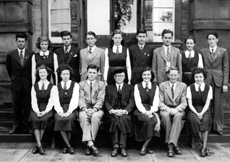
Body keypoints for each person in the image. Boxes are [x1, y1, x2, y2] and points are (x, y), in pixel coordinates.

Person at [200, 32, 229, 135]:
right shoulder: (203, 51)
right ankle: (207, 126)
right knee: (207, 104)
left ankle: (218, 127)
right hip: (207, 80)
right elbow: (201, 67)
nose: (211, 41)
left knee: (218, 105)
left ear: (217, 39)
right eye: (209, 39)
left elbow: (226, 68)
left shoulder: (223, 51)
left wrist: (225, 83)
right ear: (207, 41)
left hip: (219, 80)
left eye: (213, 39)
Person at [6, 32, 34, 134]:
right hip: (16, 83)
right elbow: (9, 68)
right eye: (19, 41)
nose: (21, 43)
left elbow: (32, 69)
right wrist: (13, 78)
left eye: (22, 41)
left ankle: (26, 125)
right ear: (16, 41)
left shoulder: (31, 54)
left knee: (27, 105)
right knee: (16, 105)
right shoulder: (11, 54)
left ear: (25, 42)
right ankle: (16, 125)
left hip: (27, 83)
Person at [104, 68, 135, 157]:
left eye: (121, 76)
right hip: (112, 112)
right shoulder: (108, 88)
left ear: (124, 77)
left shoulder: (129, 87)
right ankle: (116, 146)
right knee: (114, 120)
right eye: (117, 76)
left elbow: (132, 101)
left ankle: (121, 146)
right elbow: (106, 101)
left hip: (124, 112)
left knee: (123, 120)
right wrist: (112, 110)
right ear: (114, 77)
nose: (119, 78)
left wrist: (125, 111)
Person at [159, 67, 187, 157]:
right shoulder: (162, 85)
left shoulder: (183, 86)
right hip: (165, 109)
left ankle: (170, 146)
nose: (173, 77)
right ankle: (175, 144)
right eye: (171, 75)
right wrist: (168, 109)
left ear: (178, 75)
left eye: (175, 75)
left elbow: (184, 102)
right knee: (165, 117)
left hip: (178, 109)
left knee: (178, 117)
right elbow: (160, 101)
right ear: (168, 75)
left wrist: (176, 109)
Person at [78, 64, 106, 156]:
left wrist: (94, 109)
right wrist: (85, 109)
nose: (92, 75)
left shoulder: (101, 84)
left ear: (97, 74)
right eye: (90, 72)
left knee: (95, 117)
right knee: (83, 117)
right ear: (87, 73)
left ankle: (88, 145)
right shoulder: (81, 84)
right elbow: (81, 99)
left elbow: (100, 99)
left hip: (97, 109)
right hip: (85, 108)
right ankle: (91, 144)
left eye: (94, 73)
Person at [133, 67, 160, 156]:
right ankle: (147, 146)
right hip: (141, 109)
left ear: (151, 75)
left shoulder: (155, 86)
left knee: (154, 121)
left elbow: (156, 101)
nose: (146, 76)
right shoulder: (137, 86)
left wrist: (151, 111)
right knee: (148, 121)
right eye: (144, 75)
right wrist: (145, 112)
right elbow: (138, 102)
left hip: (152, 109)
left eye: (148, 74)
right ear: (141, 76)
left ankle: (144, 146)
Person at [30, 64, 56, 155]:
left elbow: (51, 101)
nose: (42, 74)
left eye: (44, 72)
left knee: (44, 119)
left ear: (47, 73)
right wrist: (37, 111)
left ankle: (38, 146)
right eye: (40, 72)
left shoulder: (52, 86)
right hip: (36, 108)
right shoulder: (34, 86)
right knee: (36, 119)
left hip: (47, 108)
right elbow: (33, 101)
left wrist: (44, 111)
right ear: (38, 74)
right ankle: (40, 146)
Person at [187, 67, 212, 157]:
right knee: (195, 121)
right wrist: (197, 113)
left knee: (205, 120)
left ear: (203, 77)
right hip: (193, 109)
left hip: (204, 109)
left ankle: (204, 147)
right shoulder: (190, 88)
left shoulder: (209, 87)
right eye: (196, 77)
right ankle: (205, 148)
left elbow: (207, 103)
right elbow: (190, 104)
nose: (198, 79)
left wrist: (201, 113)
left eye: (200, 77)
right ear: (194, 77)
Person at [54, 64, 79, 154]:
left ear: (70, 75)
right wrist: (60, 112)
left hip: (71, 108)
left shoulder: (75, 85)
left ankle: (65, 145)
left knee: (69, 119)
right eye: (63, 74)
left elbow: (75, 100)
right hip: (60, 108)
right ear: (60, 75)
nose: (65, 76)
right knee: (59, 119)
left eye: (67, 74)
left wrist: (69, 111)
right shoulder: (56, 87)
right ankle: (68, 146)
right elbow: (56, 101)